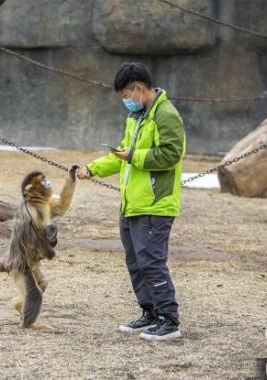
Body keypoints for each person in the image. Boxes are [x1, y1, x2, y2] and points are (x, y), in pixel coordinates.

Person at [77, 63, 186, 341]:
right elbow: (121, 154)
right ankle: (149, 313)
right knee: (136, 263)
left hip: (155, 204)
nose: (126, 100)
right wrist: (92, 169)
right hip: (132, 204)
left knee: (151, 262)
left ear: (138, 89)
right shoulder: (136, 117)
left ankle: (169, 320)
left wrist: (134, 156)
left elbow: (171, 154)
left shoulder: (166, 114)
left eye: (127, 94)